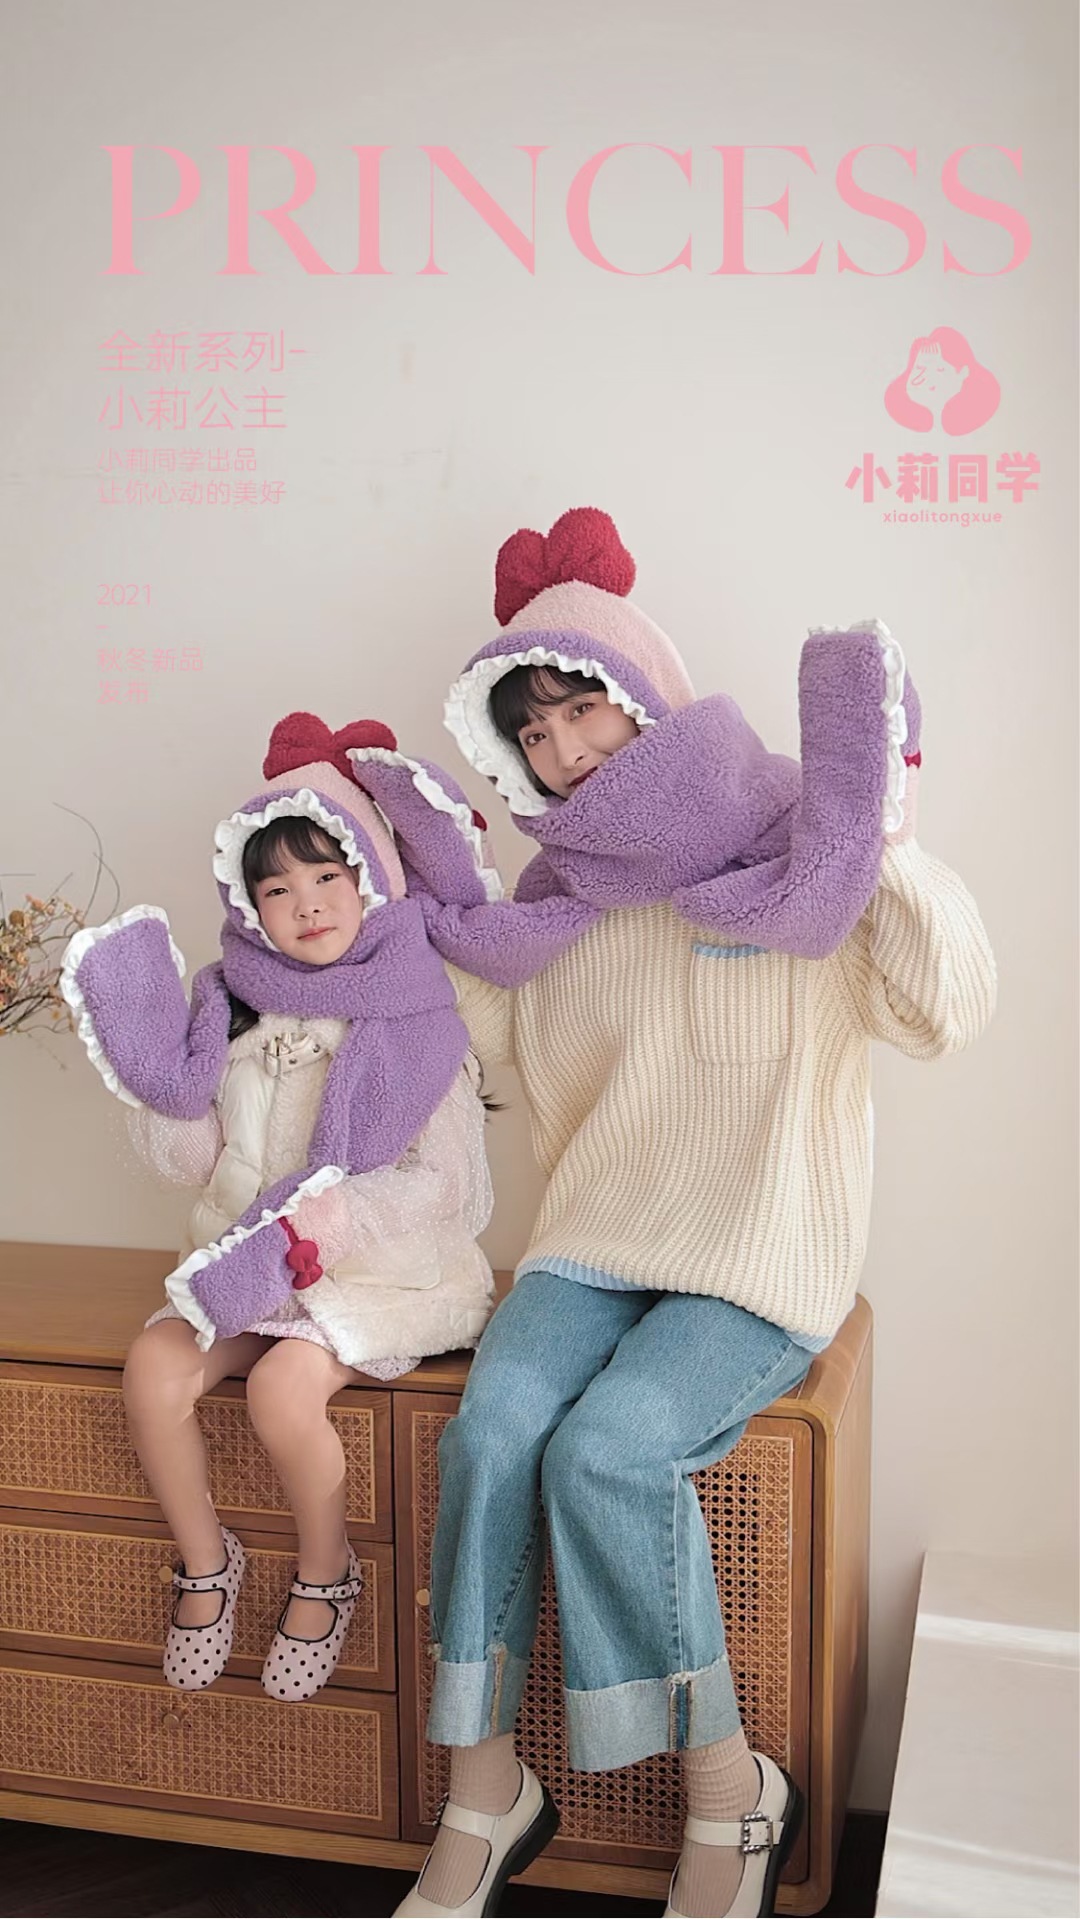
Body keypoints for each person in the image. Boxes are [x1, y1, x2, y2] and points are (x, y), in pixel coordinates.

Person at [354, 508, 997, 1919]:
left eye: (581, 706)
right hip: (594, 1239)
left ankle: (731, 1792)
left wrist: (880, 840)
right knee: (490, 1432)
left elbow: (947, 1006)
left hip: (757, 1255)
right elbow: (516, 1061)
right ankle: (483, 1788)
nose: (565, 750)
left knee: (608, 1454)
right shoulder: (558, 898)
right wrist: (410, 928)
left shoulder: (795, 844)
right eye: (535, 733)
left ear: (642, 690)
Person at [60, 713, 495, 1702]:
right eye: (277, 889)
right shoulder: (235, 1005)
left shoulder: (418, 1016)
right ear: (249, 906)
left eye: (327, 876)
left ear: (370, 875)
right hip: (252, 1265)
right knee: (153, 1367)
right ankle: (207, 1560)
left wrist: (331, 1221)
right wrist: (156, 1083)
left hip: (377, 1273)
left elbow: (444, 1185)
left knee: (282, 1389)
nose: (306, 904)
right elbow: (197, 1161)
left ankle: (326, 1568)